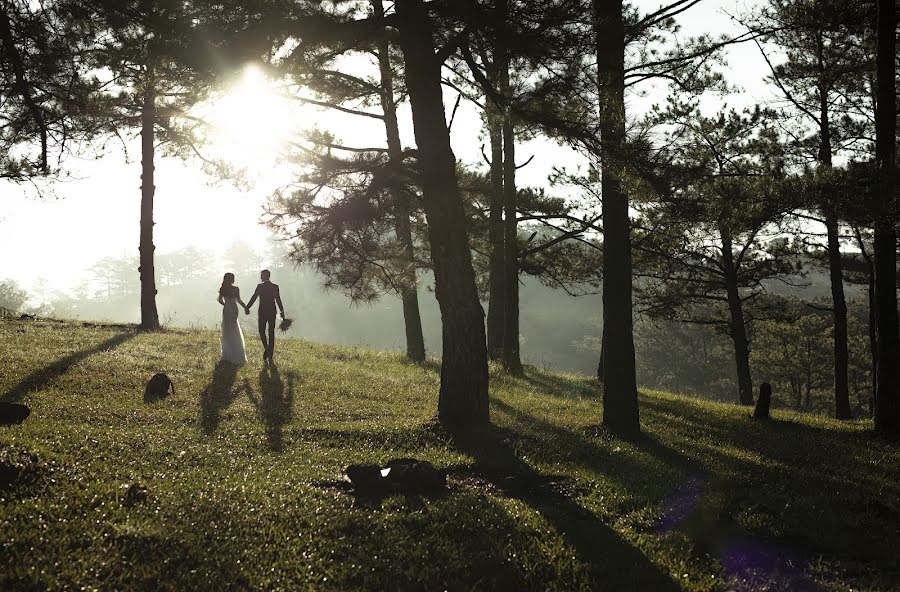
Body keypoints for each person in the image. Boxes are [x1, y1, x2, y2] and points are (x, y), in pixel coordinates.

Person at [245, 269, 286, 363]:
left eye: (261, 275)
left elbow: (254, 297)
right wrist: (282, 311)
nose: (260, 277)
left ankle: (266, 348)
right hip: (272, 311)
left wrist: (247, 307)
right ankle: (270, 354)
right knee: (271, 331)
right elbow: (278, 300)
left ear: (264, 276)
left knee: (261, 330)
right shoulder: (275, 286)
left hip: (262, 311)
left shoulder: (260, 286)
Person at [217, 273, 248, 365]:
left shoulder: (223, 289)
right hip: (234, 309)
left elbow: (219, 300)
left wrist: (226, 305)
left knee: (227, 330)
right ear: (232, 279)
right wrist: (245, 307)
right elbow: (239, 300)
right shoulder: (235, 289)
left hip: (226, 310)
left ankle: (227, 354)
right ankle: (237, 353)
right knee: (234, 329)